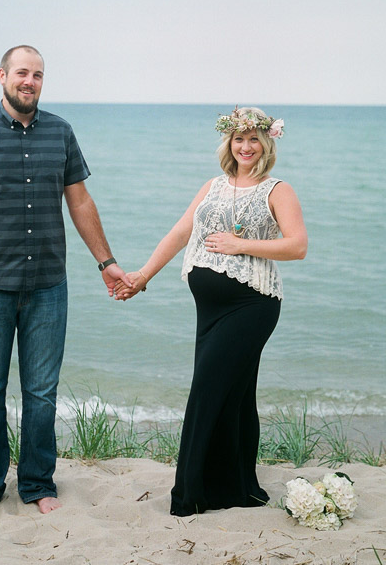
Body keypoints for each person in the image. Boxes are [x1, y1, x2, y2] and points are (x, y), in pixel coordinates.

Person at [0, 45, 130, 520]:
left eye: (38, 75)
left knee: (42, 393)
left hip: (48, 286)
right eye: (22, 73)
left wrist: (106, 261)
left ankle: (37, 482)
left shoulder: (61, 133)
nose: (30, 81)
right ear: (3, 76)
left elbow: (80, 201)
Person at [115, 106, 307, 516]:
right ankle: (237, 487)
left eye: (254, 138)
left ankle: (190, 495)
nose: (247, 146)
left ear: (267, 143)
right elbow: (182, 232)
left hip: (253, 304)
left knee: (206, 390)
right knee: (235, 396)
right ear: (229, 143)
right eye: (239, 139)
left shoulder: (278, 190)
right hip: (211, 310)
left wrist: (241, 245)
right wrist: (143, 275)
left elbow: (297, 246)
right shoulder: (213, 187)